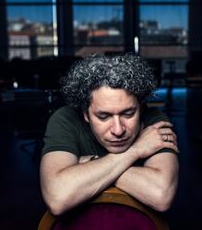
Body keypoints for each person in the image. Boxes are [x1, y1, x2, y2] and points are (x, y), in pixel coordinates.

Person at [39, 54, 179, 216]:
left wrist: (85, 166)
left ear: (140, 108)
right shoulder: (65, 119)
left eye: (128, 114)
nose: (118, 130)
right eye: (104, 117)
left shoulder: (154, 122)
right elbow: (58, 197)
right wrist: (136, 150)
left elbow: (161, 195)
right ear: (86, 114)